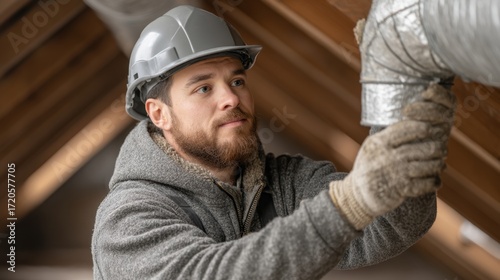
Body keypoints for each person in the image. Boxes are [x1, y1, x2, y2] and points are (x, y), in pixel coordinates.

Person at [91, 5, 456, 280]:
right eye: (204, 87)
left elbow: (390, 226)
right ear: (159, 114)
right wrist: (348, 204)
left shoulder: (280, 185)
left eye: (236, 81)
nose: (231, 98)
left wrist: (404, 97)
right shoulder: (128, 218)